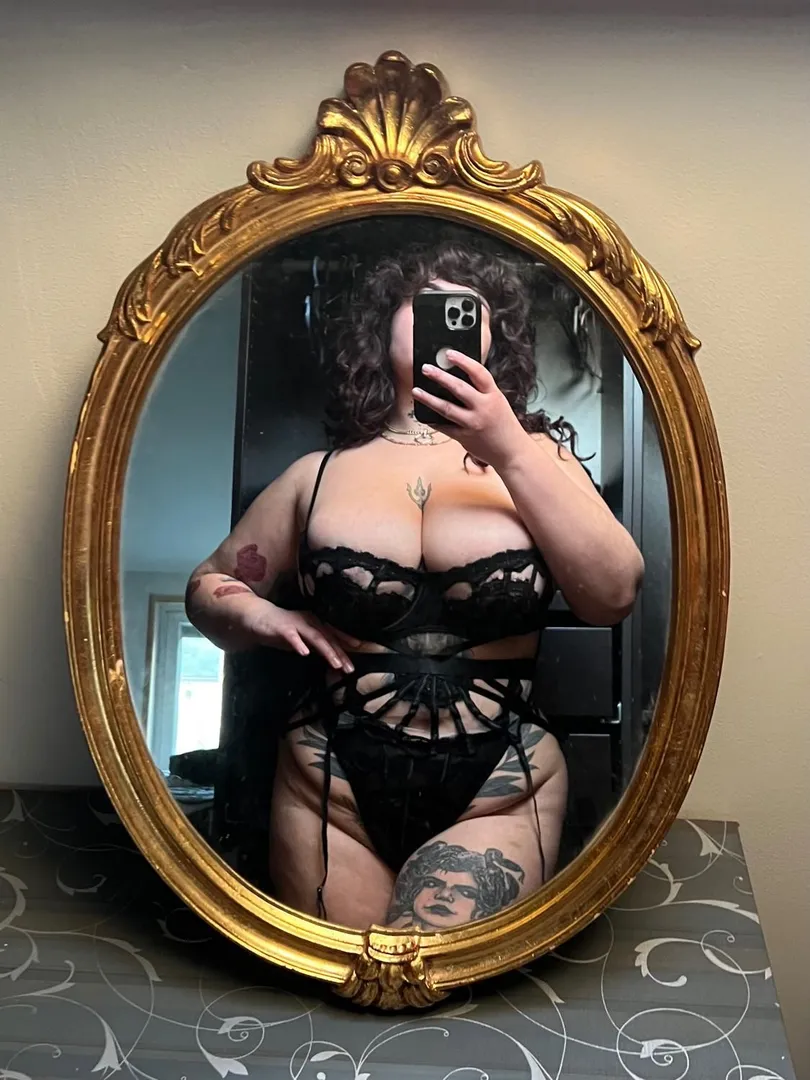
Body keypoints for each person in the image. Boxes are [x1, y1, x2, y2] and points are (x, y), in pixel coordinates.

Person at [185, 242, 644, 930]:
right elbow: (210, 583)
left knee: (440, 979)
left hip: (501, 783)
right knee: (340, 983)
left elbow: (613, 595)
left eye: (467, 309)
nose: (447, 317)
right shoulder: (316, 475)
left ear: (494, 337)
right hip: (327, 782)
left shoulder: (540, 460)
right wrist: (259, 616)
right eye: (425, 304)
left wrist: (509, 447)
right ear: (383, 325)